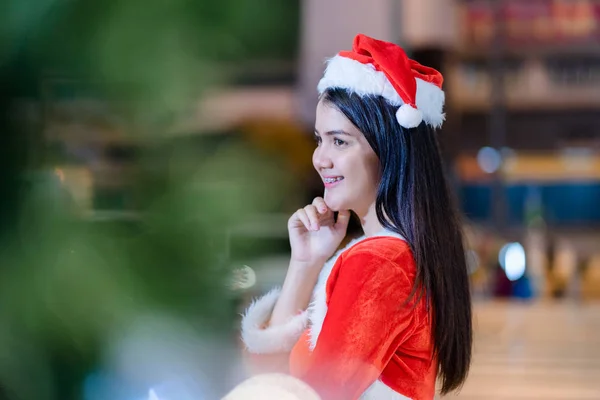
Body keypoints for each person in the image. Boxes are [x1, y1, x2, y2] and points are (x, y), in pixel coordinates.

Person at [240, 33, 472, 400]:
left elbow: (305, 395)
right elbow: (272, 381)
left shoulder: (380, 263)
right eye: (319, 139)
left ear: (388, 151)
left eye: (340, 141)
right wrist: (305, 262)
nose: (321, 158)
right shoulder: (391, 255)